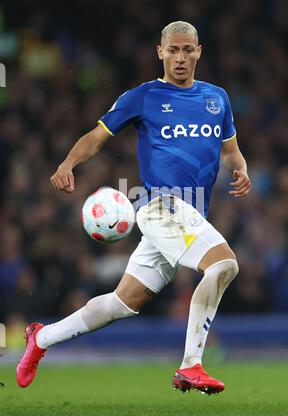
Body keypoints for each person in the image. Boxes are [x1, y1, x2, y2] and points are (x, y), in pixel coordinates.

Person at [16, 21, 251, 394]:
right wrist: (67, 164)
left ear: (198, 52)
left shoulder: (216, 98)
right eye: (172, 50)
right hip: (160, 207)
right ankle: (191, 365)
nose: (179, 57)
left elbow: (231, 150)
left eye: (187, 50)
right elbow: (96, 137)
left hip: (191, 213)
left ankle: (41, 338)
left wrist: (240, 170)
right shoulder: (142, 97)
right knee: (224, 265)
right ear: (159, 52)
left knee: (122, 303)